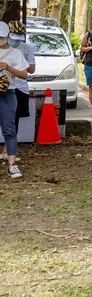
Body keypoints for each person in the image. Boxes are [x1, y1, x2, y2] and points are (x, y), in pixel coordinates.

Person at [0, 21, 30, 180]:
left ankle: (12, 164)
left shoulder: (15, 53)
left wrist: (7, 67)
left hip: (8, 93)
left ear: (6, 37)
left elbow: (25, 75)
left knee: (9, 129)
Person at [6, 21, 35, 126]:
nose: (15, 41)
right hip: (5, 86)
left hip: (20, 87)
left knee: (16, 117)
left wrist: (21, 62)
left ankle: (10, 141)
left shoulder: (27, 48)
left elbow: (32, 70)